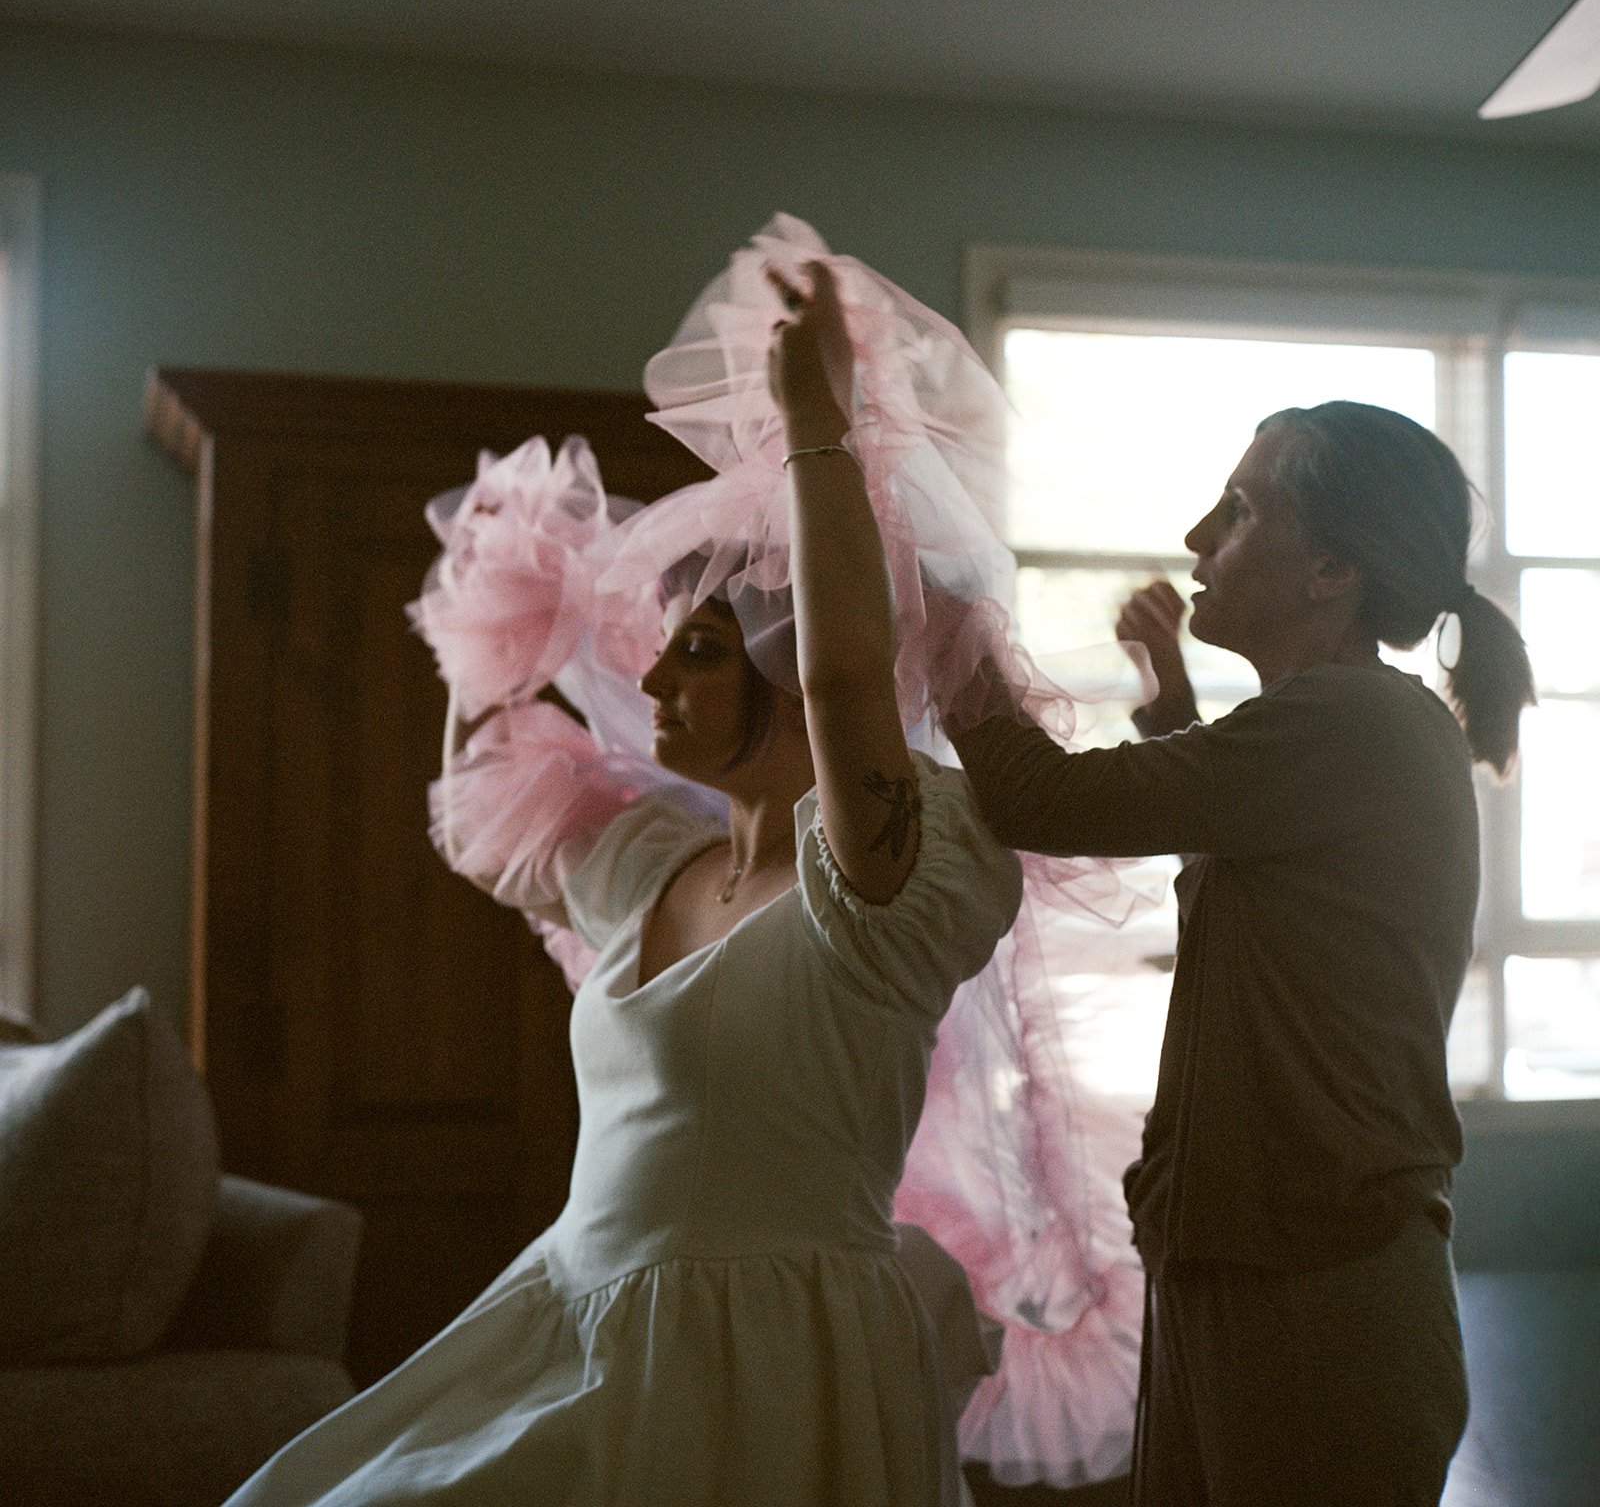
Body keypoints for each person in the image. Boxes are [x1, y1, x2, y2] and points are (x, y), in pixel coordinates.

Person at [221, 234, 1054, 1507]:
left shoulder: (889, 888)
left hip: (766, 1356)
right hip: (580, 1315)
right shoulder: (653, 870)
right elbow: (479, 801)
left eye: (702, 652)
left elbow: (846, 674)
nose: (654, 680)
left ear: (787, 676)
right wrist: (518, 598)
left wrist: (816, 432)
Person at [945, 400, 1537, 1505]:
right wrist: (1169, 709)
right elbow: (1251, 851)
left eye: (1240, 509)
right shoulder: (1340, 728)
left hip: (1312, 1285)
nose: (1195, 537)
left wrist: (940, 624)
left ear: (1329, 570)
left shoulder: (1350, 721)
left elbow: (1037, 795)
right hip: (1263, 1263)